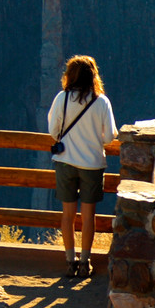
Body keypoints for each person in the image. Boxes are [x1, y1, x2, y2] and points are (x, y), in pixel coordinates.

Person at [47, 54, 116, 277]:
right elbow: (109, 138)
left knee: (67, 215)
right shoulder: (101, 101)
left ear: (70, 76)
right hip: (92, 165)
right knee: (89, 216)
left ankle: (70, 261)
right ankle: (85, 262)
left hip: (65, 162)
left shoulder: (62, 98)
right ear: (93, 76)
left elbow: (53, 131)